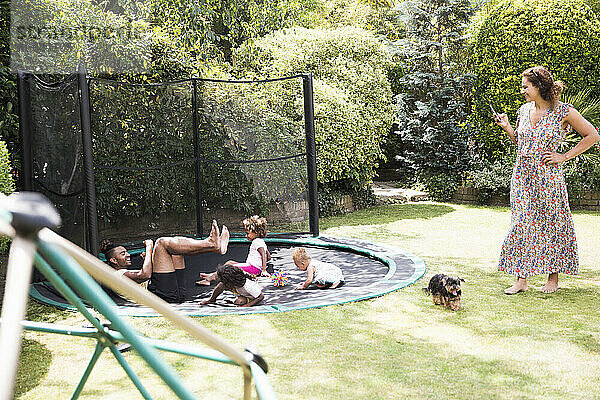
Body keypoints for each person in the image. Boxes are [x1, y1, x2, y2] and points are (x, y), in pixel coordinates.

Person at [494, 66, 599, 295]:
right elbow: (522, 144)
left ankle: (553, 277)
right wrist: (509, 128)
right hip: (522, 176)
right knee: (521, 224)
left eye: (525, 87)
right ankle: (521, 279)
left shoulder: (563, 111)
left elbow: (593, 136)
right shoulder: (523, 110)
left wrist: (564, 156)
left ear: (538, 86)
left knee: (552, 224)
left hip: (549, 178)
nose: (522, 91)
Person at [101, 220, 230, 303]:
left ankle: (213, 247)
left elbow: (144, 276)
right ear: (113, 260)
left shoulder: (120, 274)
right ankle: (210, 244)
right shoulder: (116, 275)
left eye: (126, 252)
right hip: (159, 297)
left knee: (174, 250)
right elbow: (145, 275)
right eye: (123, 254)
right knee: (161, 243)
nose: (128, 255)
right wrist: (149, 248)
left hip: (170, 294)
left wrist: (152, 258)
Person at [196, 215, 270, 285]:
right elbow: (268, 256)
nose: (246, 235)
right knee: (230, 262)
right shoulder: (261, 242)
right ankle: (213, 274)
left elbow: (263, 255)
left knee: (229, 265)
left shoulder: (256, 241)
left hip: (253, 269)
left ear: (256, 233)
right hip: (253, 267)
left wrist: (263, 270)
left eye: (247, 233)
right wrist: (262, 264)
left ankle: (210, 279)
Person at [200, 264, 264, 307]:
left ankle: (242, 299)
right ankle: (212, 299)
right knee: (221, 285)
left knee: (239, 302)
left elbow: (261, 297)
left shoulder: (249, 286)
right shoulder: (235, 277)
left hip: (248, 296)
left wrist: (247, 306)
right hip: (237, 288)